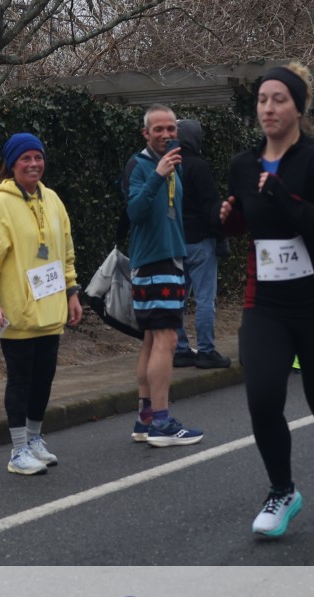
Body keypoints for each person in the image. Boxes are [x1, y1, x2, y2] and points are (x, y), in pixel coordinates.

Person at [219, 62, 314, 538]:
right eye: (262, 99)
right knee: (263, 398)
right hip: (267, 305)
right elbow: (250, 223)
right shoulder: (243, 165)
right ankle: (282, 491)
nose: (268, 108)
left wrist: (283, 196)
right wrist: (231, 218)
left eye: (279, 99)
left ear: (298, 107)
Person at [0, 133, 83, 475]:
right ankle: (18, 451)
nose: (34, 164)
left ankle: (34, 439)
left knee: (44, 378)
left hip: (50, 311)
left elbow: (66, 252)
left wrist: (72, 292)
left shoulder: (53, 200)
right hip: (16, 314)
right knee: (20, 379)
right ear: (12, 164)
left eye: (38, 157)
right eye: (25, 158)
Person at [121, 104, 204, 446]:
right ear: (146, 133)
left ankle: (145, 420)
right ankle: (162, 422)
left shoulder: (174, 165)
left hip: (169, 260)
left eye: (171, 129)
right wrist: (157, 174)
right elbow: (135, 212)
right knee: (167, 339)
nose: (167, 135)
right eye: (159, 129)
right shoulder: (140, 166)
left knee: (153, 340)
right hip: (154, 264)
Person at [172, 118, 232, 370]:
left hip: (175, 242)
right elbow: (212, 207)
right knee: (205, 299)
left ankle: (180, 349)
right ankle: (206, 350)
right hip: (201, 241)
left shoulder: (168, 165)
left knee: (177, 299)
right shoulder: (199, 166)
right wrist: (220, 236)